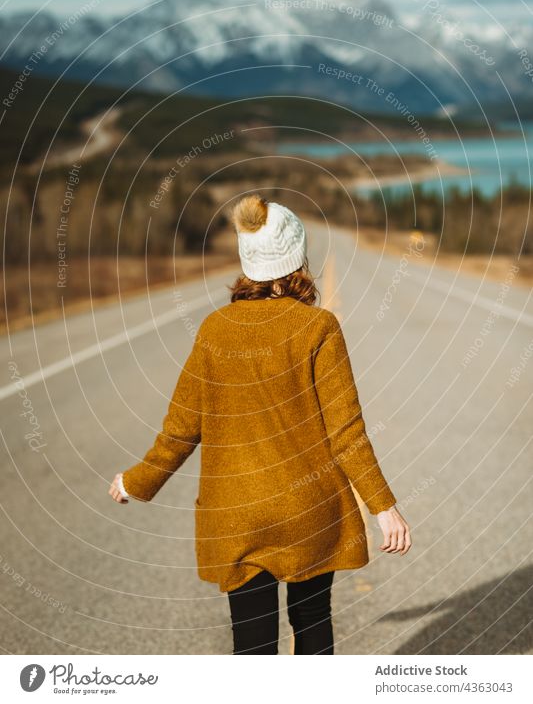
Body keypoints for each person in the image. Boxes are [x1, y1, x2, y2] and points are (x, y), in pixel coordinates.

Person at [108, 194, 411, 654]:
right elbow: (346, 432)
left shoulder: (214, 330)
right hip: (307, 511)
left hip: (236, 515)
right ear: (297, 260)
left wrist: (137, 481)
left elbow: (182, 427)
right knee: (311, 621)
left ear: (248, 261)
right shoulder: (319, 327)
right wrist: (383, 507)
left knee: (252, 641)